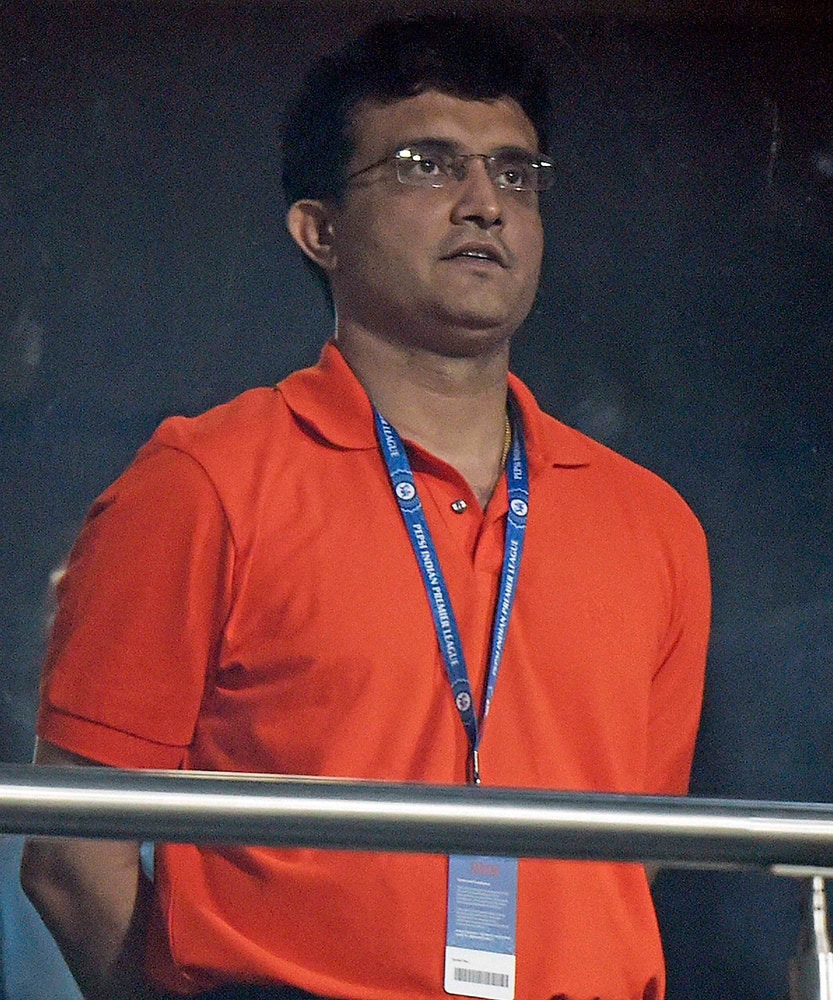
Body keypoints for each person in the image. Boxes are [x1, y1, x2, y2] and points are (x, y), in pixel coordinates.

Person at [21, 15, 711, 1000]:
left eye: (514, 173)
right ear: (320, 229)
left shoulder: (650, 524)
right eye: (427, 165)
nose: (483, 203)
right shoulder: (202, 481)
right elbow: (70, 859)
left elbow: (632, 854)